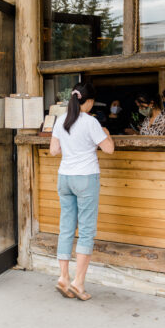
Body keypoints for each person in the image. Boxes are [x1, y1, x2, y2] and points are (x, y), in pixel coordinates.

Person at [50, 82, 114, 301]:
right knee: (86, 231)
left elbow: (53, 150)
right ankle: (78, 283)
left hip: (64, 177)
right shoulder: (91, 122)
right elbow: (109, 149)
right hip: (85, 178)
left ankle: (63, 277)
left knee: (66, 228)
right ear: (88, 101)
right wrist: (106, 132)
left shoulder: (61, 120)